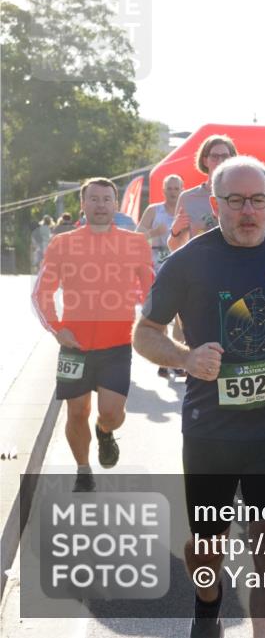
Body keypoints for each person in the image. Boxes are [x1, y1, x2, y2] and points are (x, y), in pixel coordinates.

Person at [134, 155, 265, 638]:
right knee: (206, 546)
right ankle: (209, 598)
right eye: (235, 201)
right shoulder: (187, 262)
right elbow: (144, 333)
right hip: (211, 431)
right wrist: (185, 358)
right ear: (215, 204)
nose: (248, 211)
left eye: (258, 200)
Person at [31, 178, 154, 492]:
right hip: (75, 346)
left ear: (115, 205)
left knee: (111, 413)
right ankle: (83, 469)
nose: (101, 205)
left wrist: (154, 321)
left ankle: (104, 431)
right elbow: (41, 292)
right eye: (94, 199)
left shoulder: (134, 243)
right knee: (76, 411)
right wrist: (58, 329)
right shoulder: (63, 243)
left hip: (117, 344)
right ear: (83, 205)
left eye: (107, 199)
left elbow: (153, 287)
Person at [137, 174, 185, 378]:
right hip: (156, 266)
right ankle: (166, 360)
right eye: (170, 189)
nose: (173, 193)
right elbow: (136, 236)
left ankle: (177, 359)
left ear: (181, 190)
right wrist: (155, 231)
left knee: (182, 315)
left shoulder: (186, 211)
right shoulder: (153, 210)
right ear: (164, 190)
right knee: (162, 314)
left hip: (182, 265)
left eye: (176, 189)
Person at [168, 135, 237, 251]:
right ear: (205, 160)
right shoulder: (188, 198)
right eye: (214, 156)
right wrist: (175, 231)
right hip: (199, 266)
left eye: (225, 156)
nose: (220, 161)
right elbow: (175, 248)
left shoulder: (244, 195)